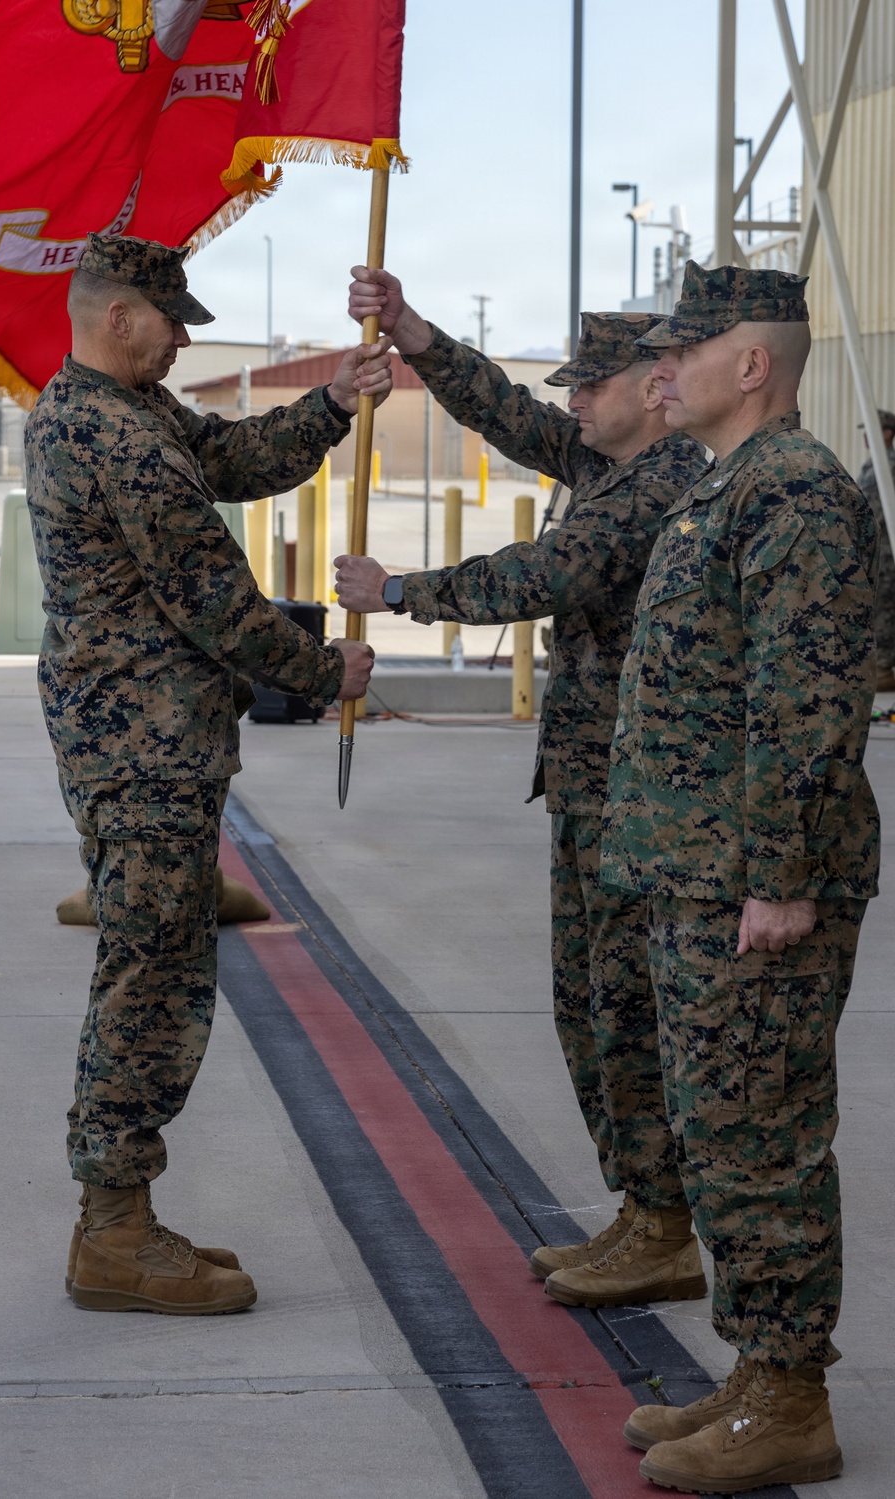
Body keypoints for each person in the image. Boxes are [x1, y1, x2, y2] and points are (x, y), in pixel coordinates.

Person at [24, 233, 384, 1316]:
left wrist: (333, 401)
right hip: (142, 747)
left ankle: (118, 1217)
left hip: (143, 740)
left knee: (160, 959)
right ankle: (114, 1230)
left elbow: (231, 459)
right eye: (171, 320)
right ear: (117, 314)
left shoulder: (123, 410)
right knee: (151, 980)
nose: (182, 339)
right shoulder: (114, 435)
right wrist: (323, 668)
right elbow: (215, 600)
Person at [336, 266, 709, 1308]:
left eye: (593, 384)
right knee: (585, 1005)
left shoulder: (661, 484)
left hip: (640, 796)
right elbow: (502, 409)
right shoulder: (604, 457)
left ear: (654, 387)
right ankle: (641, 1207)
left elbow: (548, 574)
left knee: (625, 1013)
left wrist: (401, 589)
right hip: (589, 784)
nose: (574, 400)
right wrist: (412, 330)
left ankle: (664, 1222)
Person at [602, 262, 879, 1492]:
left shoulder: (798, 495)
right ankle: (758, 1366)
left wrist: (779, 877)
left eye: (683, 351)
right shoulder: (727, 488)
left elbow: (805, 708)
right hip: (698, 874)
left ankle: (790, 1401)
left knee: (762, 1135)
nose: (660, 371)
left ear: (752, 362)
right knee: (719, 1131)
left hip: (752, 886)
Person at [855, 408, 895, 690]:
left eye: (872, 429)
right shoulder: (874, 464)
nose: (866, 436)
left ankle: (883, 668)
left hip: (886, 553)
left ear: (887, 433)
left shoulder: (887, 465)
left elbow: (876, 512)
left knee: (883, 608)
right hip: (876, 550)